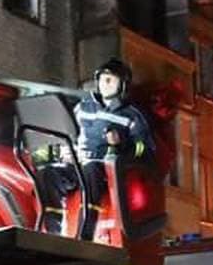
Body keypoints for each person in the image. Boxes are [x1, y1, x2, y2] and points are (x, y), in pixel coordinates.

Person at [36, 59, 152, 241]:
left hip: (104, 167)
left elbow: (143, 147)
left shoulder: (132, 115)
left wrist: (122, 144)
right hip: (78, 161)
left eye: (110, 80)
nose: (105, 85)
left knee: (91, 170)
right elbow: (69, 133)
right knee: (49, 174)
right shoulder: (83, 106)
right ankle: (51, 233)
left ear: (122, 85)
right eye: (102, 79)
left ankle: (85, 235)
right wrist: (60, 151)